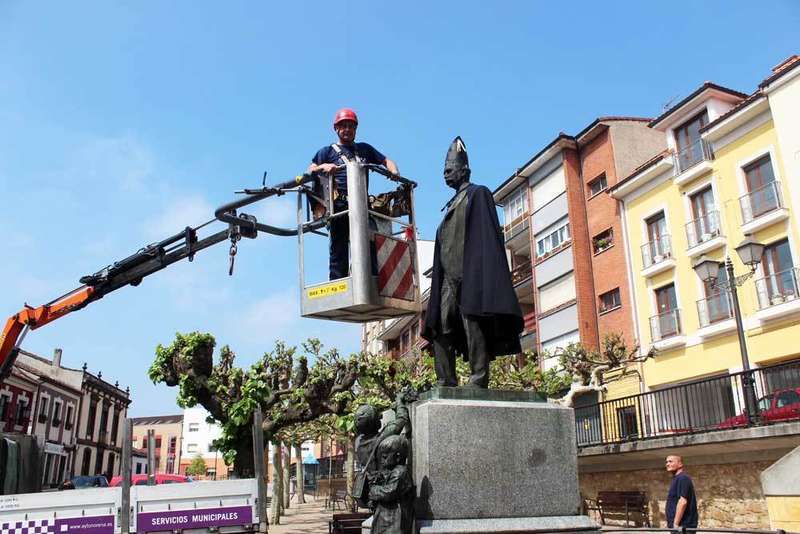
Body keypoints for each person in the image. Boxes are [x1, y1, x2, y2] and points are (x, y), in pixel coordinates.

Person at [421, 137, 523, 388]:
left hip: (470, 275)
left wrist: (477, 275)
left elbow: (486, 236)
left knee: (473, 323)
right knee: (439, 326)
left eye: (450, 168)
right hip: (446, 279)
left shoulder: (478, 193)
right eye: (444, 169)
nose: (445, 173)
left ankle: (479, 378)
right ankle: (446, 380)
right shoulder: (449, 206)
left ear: (464, 170)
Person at [308, 108, 399, 280]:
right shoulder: (327, 152)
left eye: (351, 126)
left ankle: (371, 280)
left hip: (361, 205)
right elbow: (310, 169)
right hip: (340, 206)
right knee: (339, 249)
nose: (347, 130)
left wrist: (393, 170)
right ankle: (339, 283)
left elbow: (386, 160)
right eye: (343, 126)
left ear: (356, 129)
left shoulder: (364, 149)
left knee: (368, 244)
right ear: (336, 129)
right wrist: (324, 166)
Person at [367, 435, 414, 534]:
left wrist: (373, 490)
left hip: (393, 523)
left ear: (397, 457)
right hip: (385, 520)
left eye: (385, 457)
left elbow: (389, 492)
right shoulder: (391, 472)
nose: (382, 460)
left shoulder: (400, 472)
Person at [665, 455, 698, 530]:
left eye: (670, 461)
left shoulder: (683, 478)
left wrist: (675, 524)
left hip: (682, 526)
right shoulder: (676, 479)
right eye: (666, 462)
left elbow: (683, 502)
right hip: (677, 526)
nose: (667, 464)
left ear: (680, 464)